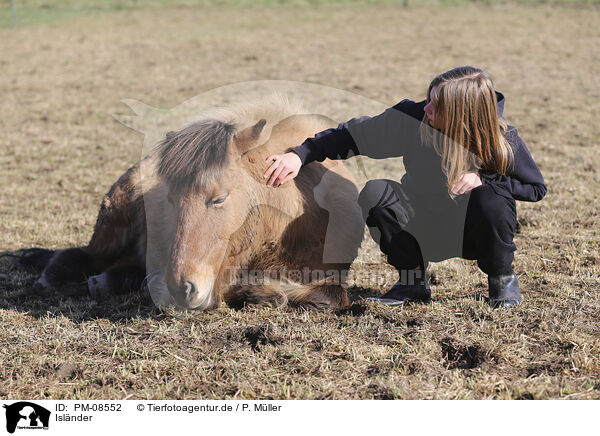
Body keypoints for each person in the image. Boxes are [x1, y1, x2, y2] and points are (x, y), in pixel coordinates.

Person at [262, 66, 546, 307]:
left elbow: (535, 188)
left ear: (463, 115)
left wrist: (485, 179)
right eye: (428, 100)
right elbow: (353, 135)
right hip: (422, 227)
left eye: (437, 106)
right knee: (376, 193)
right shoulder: (413, 119)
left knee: (490, 197)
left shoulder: (502, 138)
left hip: (474, 234)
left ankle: (502, 280)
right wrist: (300, 155)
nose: (427, 108)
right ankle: (412, 283)